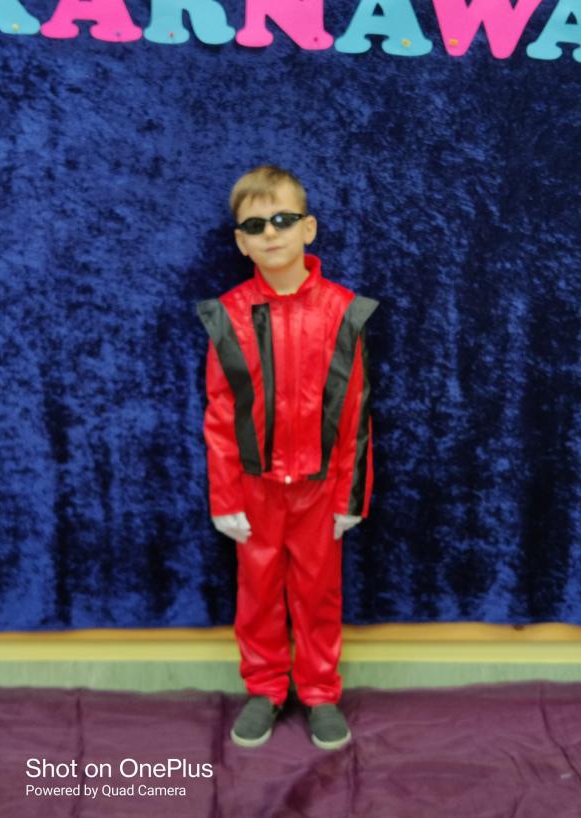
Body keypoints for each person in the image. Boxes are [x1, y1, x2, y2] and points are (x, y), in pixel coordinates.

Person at [197, 165, 377, 751]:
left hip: (321, 488)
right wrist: (224, 496)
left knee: (318, 593)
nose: (270, 233)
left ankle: (320, 692)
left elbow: (356, 412)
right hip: (255, 488)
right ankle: (266, 688)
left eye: (282, 219)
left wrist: (351, 494)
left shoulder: (344, 311)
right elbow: (220, 414)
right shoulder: (227, 316)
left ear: (308, 228)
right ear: (240, 241)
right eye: (255, 225)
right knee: (257, 593)